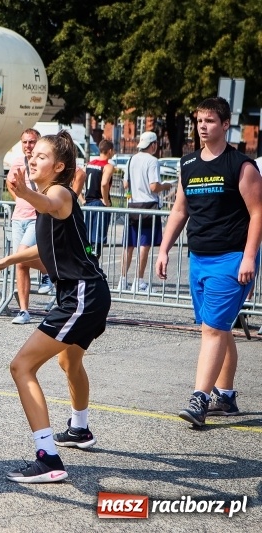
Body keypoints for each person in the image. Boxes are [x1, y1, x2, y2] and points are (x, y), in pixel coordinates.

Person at [0, 131, 110, 483]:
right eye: (31, 154)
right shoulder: (49, 201)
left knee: (21, 367)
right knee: (70, 360)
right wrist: (5, 261)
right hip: (89, 293)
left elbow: (49, 203)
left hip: (81, 296)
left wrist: (23, 192)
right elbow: (44, 253)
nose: (32, 159)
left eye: (40, 155)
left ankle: (47, 458)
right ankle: (80, 430)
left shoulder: (58, 192)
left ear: (60, 166)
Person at [156, 97, 262, 427]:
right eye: (199, 121)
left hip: (231, 259)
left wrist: (248, 257)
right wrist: (163, 248)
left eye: (210, 121)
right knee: (218, 328)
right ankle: (226, 397)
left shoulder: (241, 166)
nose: (203, 126)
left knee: (213, 329)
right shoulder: (188, 165)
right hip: (199, 258)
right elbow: (179, 210)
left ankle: (200, 398)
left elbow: (258, 213)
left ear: (225, 124)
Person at [6, 128, 54, 325]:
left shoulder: (44, 162)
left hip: (38, 217)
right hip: (19, 217)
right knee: (20, 263)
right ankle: (24, 310)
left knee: (23, 254)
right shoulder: (17, 162)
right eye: (25, 142)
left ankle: (51, 272)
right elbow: (10, 182)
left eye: (32, 142)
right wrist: (19, 198)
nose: (28, 146)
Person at [120, 131, 173, 292]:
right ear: (153, 145)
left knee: (129, 245)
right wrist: (166, 185)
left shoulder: (131, 159)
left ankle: (123, 280)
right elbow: (154, 187)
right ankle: (139, 280)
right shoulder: (152, 161)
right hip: (148, 205)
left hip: (133, 204)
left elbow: (125, 184)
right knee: (144, 244)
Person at [82, 139, 115, 258]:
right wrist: (106, 201)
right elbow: (104, 183)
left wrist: (81, 199)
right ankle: (93, 263)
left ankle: (87, 257)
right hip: (98, 204)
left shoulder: (90, 163)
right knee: (98, 237)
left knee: (87, 237)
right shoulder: (107, 166)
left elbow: (77, 179)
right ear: (110, 151)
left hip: (88, 204)